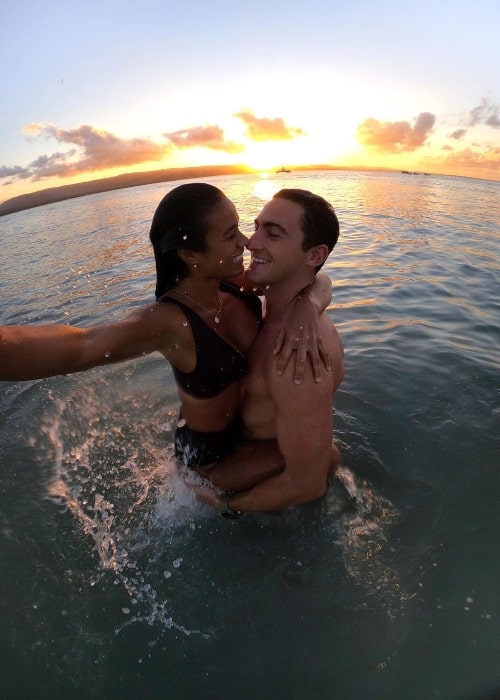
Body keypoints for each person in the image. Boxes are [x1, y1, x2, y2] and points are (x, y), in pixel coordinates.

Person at [0, 183, 332, 472]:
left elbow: (312, 277)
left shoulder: (235, 284)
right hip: (208, 458)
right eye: (231, 234)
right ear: (190, 254)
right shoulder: (169, 321)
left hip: (248, 436)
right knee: (325, 460)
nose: (245, 242)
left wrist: (308, 305)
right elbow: (82, 345)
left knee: (322, 459)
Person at [192, 188, 344, 515]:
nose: (251, 241)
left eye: (272, 234)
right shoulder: (280, 304)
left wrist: (227, 506)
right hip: (245, 454)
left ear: (314, 255)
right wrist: (310, 301)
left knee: (326, 457)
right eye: (257, 226)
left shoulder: (295, 357)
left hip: (242, 487)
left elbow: (308, 483)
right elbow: (321, 281)